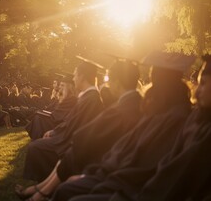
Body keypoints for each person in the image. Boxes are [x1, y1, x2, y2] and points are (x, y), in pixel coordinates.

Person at [52, 51, 195, 201]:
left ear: (162, 82)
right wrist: (95, 172)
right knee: (67, 187)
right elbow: (126, 147)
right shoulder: (157, 111)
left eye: (154, 76)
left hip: (132, 186)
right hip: (117, 174)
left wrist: (106, 176)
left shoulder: (175, 118)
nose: (151, 80)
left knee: (69, 193)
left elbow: (145, 163)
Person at [16, 59, 143, 201]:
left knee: (59, 152)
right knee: (68, 153)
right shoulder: (133, 104)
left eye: (110, 80)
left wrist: (70, 139)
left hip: (101, 155)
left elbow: (89, 129)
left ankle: (41, 192)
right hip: (97, 149)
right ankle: (40, 191)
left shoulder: (119, 106)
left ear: (117, 82)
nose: (108, 85)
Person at [111, 54, 211, 201]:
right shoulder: (194, 120)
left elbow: (174, 176)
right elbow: (167, 165)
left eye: (203, 83)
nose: (196, 92)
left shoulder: (181, 119)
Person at [23, 58, 104, 182]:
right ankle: (44, 186)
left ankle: (44, 184)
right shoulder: (88, 96)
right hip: (68, 136)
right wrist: (55, 132)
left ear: (82, 77)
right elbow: (72, 121)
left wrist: (55, 133)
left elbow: (77, 125)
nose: (73, 78)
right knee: (37, 142)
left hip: (74, 142)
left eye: (75, 75)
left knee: (36, 147)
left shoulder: (91, 98)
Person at [25, 74, 77, 140]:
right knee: (38, 117)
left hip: (59, 124)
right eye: (60, 85)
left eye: (62, 85)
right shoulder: (65, 97)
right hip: (57, 120)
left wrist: (49, 114)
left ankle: (38, 139)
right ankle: (38, 139)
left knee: (38, 118)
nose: (60, 87)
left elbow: (58, 116)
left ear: (69, 87)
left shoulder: (71, 99)